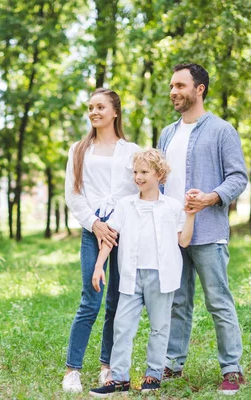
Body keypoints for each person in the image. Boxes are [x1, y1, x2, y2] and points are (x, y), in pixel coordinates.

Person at [158, 63, 248, 395]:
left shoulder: (222, 130)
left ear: (200, 89)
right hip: (172, 233)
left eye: (180, 85)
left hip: (209, 232)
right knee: (177, 301)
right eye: (171, 86)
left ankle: (232, 369)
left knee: (218, 301)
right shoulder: (167, 134)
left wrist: (210, 198)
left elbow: (238, 177)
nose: (173, 92)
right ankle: (173, 363)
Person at [88, 149, 196, 398]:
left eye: (144, 172)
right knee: (122, 327)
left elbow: (184, 241)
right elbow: (110, 237)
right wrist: (98, 266)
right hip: (130, 275)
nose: (138, 177)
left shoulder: (172, 206)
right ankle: (119, 379)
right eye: (135, 172)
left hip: (162, 276)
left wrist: (190, 214)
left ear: (159, 174)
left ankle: (153, 375)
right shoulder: (126, 205)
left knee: (159, 327)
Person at [62, 88, 141, 393]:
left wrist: (115, 225)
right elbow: (74, 193)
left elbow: (136, 190)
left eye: (100, 107)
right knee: (90, 300)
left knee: (116, 302)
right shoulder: (79, 150)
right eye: (91, 107)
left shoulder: (131, 150)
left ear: (115, 112)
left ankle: (107, 366)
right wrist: (95, 225)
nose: (94, 112)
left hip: (122, 234)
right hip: (92, 231)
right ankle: (72, 370)